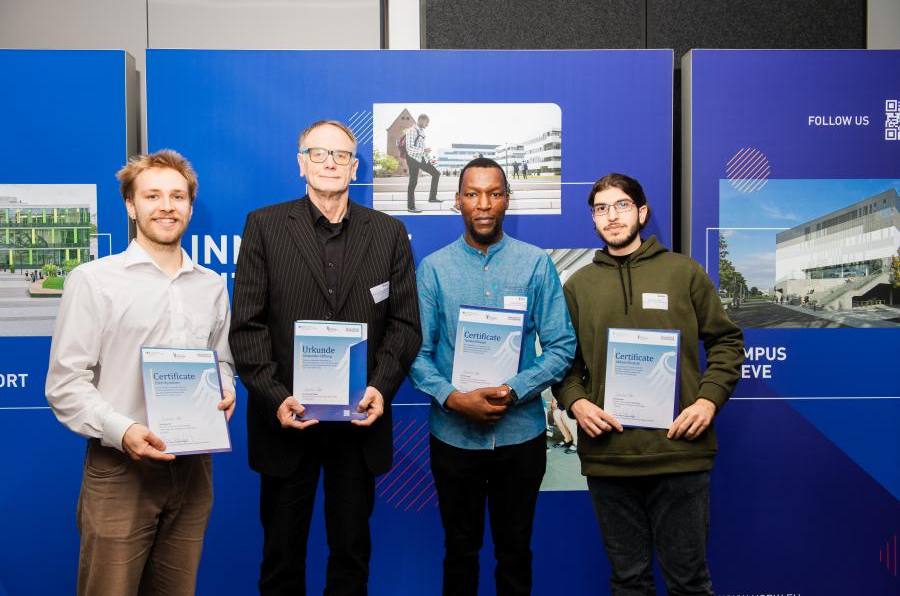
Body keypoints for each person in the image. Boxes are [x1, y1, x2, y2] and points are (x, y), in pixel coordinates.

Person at [229, 119, 422, 595]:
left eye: (340, 155)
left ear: (355, 167)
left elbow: (404, 325)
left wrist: (379, 387)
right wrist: (276, 398)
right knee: (280, 560)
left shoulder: (389, 233)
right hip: (286, 423)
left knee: (352, 559)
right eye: (318, 153)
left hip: (358, 426)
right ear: (301, 163)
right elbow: (247, 326)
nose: (330, 162)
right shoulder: (265, 225)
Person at [45, 150, 236, 596]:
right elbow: (65, 383)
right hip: (120, 470)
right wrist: (124, 429)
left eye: (177, 196)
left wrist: (226, 389)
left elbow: (221, 360)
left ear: (190, 206)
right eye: (152, 196)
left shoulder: (210, 284)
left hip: (193, 469)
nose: (166, 206)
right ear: (131, 206)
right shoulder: (94, 280)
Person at [555, 173, 744, 596]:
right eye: (601, 208)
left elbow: (727, 342)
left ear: (642, 212)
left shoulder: (685, 273)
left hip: (680, 454)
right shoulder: (577, 286)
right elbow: (562, 363)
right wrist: (578, 404)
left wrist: (708, 402)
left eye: (621, 205)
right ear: (593, 219)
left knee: (689, 583)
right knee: (628, 583)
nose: (612, 216)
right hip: (610, 458)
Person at [410, 157, 576, 595]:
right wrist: (453, 398)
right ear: (458, 201)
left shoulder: (536, 265)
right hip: (454, 437)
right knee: (459, 552)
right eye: (472, 194)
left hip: (519, 438)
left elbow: (561, 346)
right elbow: (417, 355)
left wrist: (514, 389)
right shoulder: (433, 269)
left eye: (494, 193)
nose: (483, 204)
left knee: (515, 553)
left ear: (506, 199)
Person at [405, 113, 441, 213]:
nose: (427, 124)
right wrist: (424, 151)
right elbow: (409, 148)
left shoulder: (421, 132)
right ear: (421, 120)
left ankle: (432, 198)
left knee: (436, 173)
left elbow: (423, 149)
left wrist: (430, 160)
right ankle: (411, 207)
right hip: (412, 159)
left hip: (421, 158)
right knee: (413, 182)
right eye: (427, 122)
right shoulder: (412, 131)